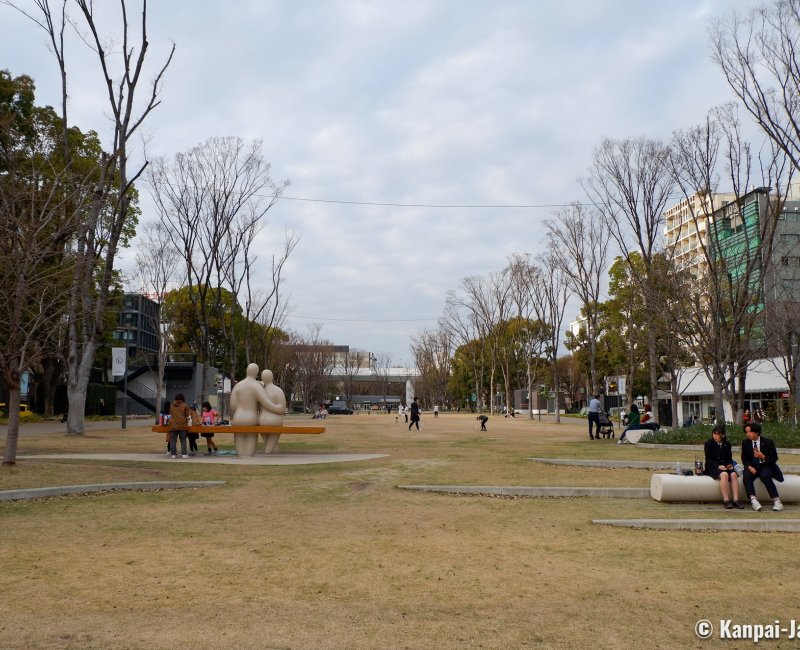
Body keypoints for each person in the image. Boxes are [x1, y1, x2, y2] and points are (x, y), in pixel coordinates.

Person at [741, 421, 784, 511]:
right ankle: (753, 500)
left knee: (765, 475)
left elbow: (774, 458)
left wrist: (763, 456)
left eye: (749, 432)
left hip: (766, 465)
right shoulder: (745, 443)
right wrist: (749, 466)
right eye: (746, 432)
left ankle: (777, 501)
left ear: (756, 432)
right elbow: (744, 458)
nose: (747, 434)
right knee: (746, 474)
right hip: (752, 466)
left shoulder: (768, 442)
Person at [704, 426, 744, 509]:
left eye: (717, 434)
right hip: (712, 467)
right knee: (724, 475)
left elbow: (729, 458)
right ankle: (726, 500)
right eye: (714, 434)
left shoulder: (727, 444)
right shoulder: (708, 444)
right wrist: (718, 466)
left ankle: (736, 500)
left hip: (725, 466)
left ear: (723, 435)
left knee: (733, 474)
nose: (714, 436)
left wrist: (730, 465)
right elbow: (709, 459)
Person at [168, 393, 191, 459]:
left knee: (173, 440)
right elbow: (187, 415)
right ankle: (184, 454)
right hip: (182, 425)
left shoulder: (172, 405)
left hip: (173, 425)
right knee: (183, 440)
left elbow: (170, 413)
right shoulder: (185, 405)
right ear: (182, 398)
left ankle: (173, 455)